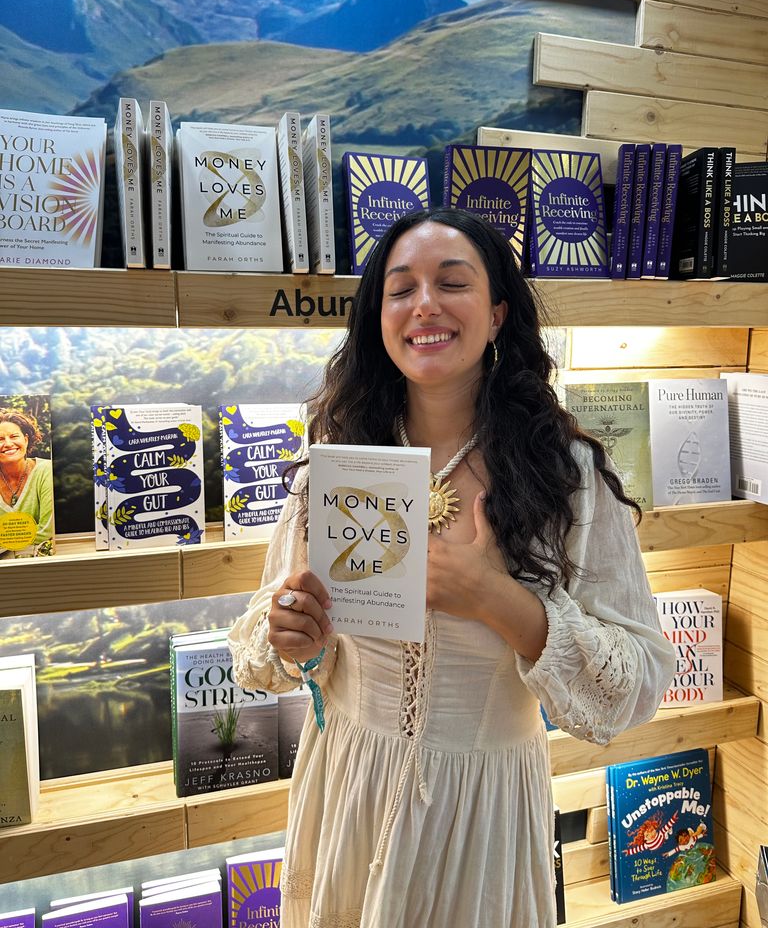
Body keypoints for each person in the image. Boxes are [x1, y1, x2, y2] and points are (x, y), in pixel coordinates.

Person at [229, 207, 675, 927]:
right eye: (400, 289)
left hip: (487, 809)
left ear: (498, 313)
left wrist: (499, 600)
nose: (424, 304)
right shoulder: (333, 466)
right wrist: (298, 640)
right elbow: (270, 645)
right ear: (379, 318)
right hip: (348, 786)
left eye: (452, 283)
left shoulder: (568, 473)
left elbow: (640, 681)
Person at [0, 406, 54, 558]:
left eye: (14, 436)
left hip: (39, 561)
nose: (8, 444)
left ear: (25, 439)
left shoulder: (47, 471)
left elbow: (47, 530)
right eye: (0, 439)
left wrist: (8, 541)